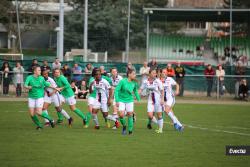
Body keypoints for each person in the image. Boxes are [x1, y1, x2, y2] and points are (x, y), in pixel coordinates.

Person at [115, 69, 140, 135]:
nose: (135, 75)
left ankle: (130, 131)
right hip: (121, 100)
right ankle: (124, 126)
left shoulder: (134, 82)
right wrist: (117, 100)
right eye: (133, 74)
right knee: (121, 115)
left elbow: (135, 91)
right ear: (129, 74)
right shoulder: (122, 81)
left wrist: (138, 99)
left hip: (130, 100)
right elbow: (116, 90)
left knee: (130, 114)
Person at [140, 69, 164, 133]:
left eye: (155, 73)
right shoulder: (145, 81)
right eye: (153, 73)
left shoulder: (158, 81)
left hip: (158, 100)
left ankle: (160, 129)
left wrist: (162, 99)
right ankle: (159, 125)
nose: (155, 74)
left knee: (159, 115)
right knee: (150, 115)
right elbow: (141, 89)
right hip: (150, 100)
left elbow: (162, 90)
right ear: (149, 73)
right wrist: (137, 95)